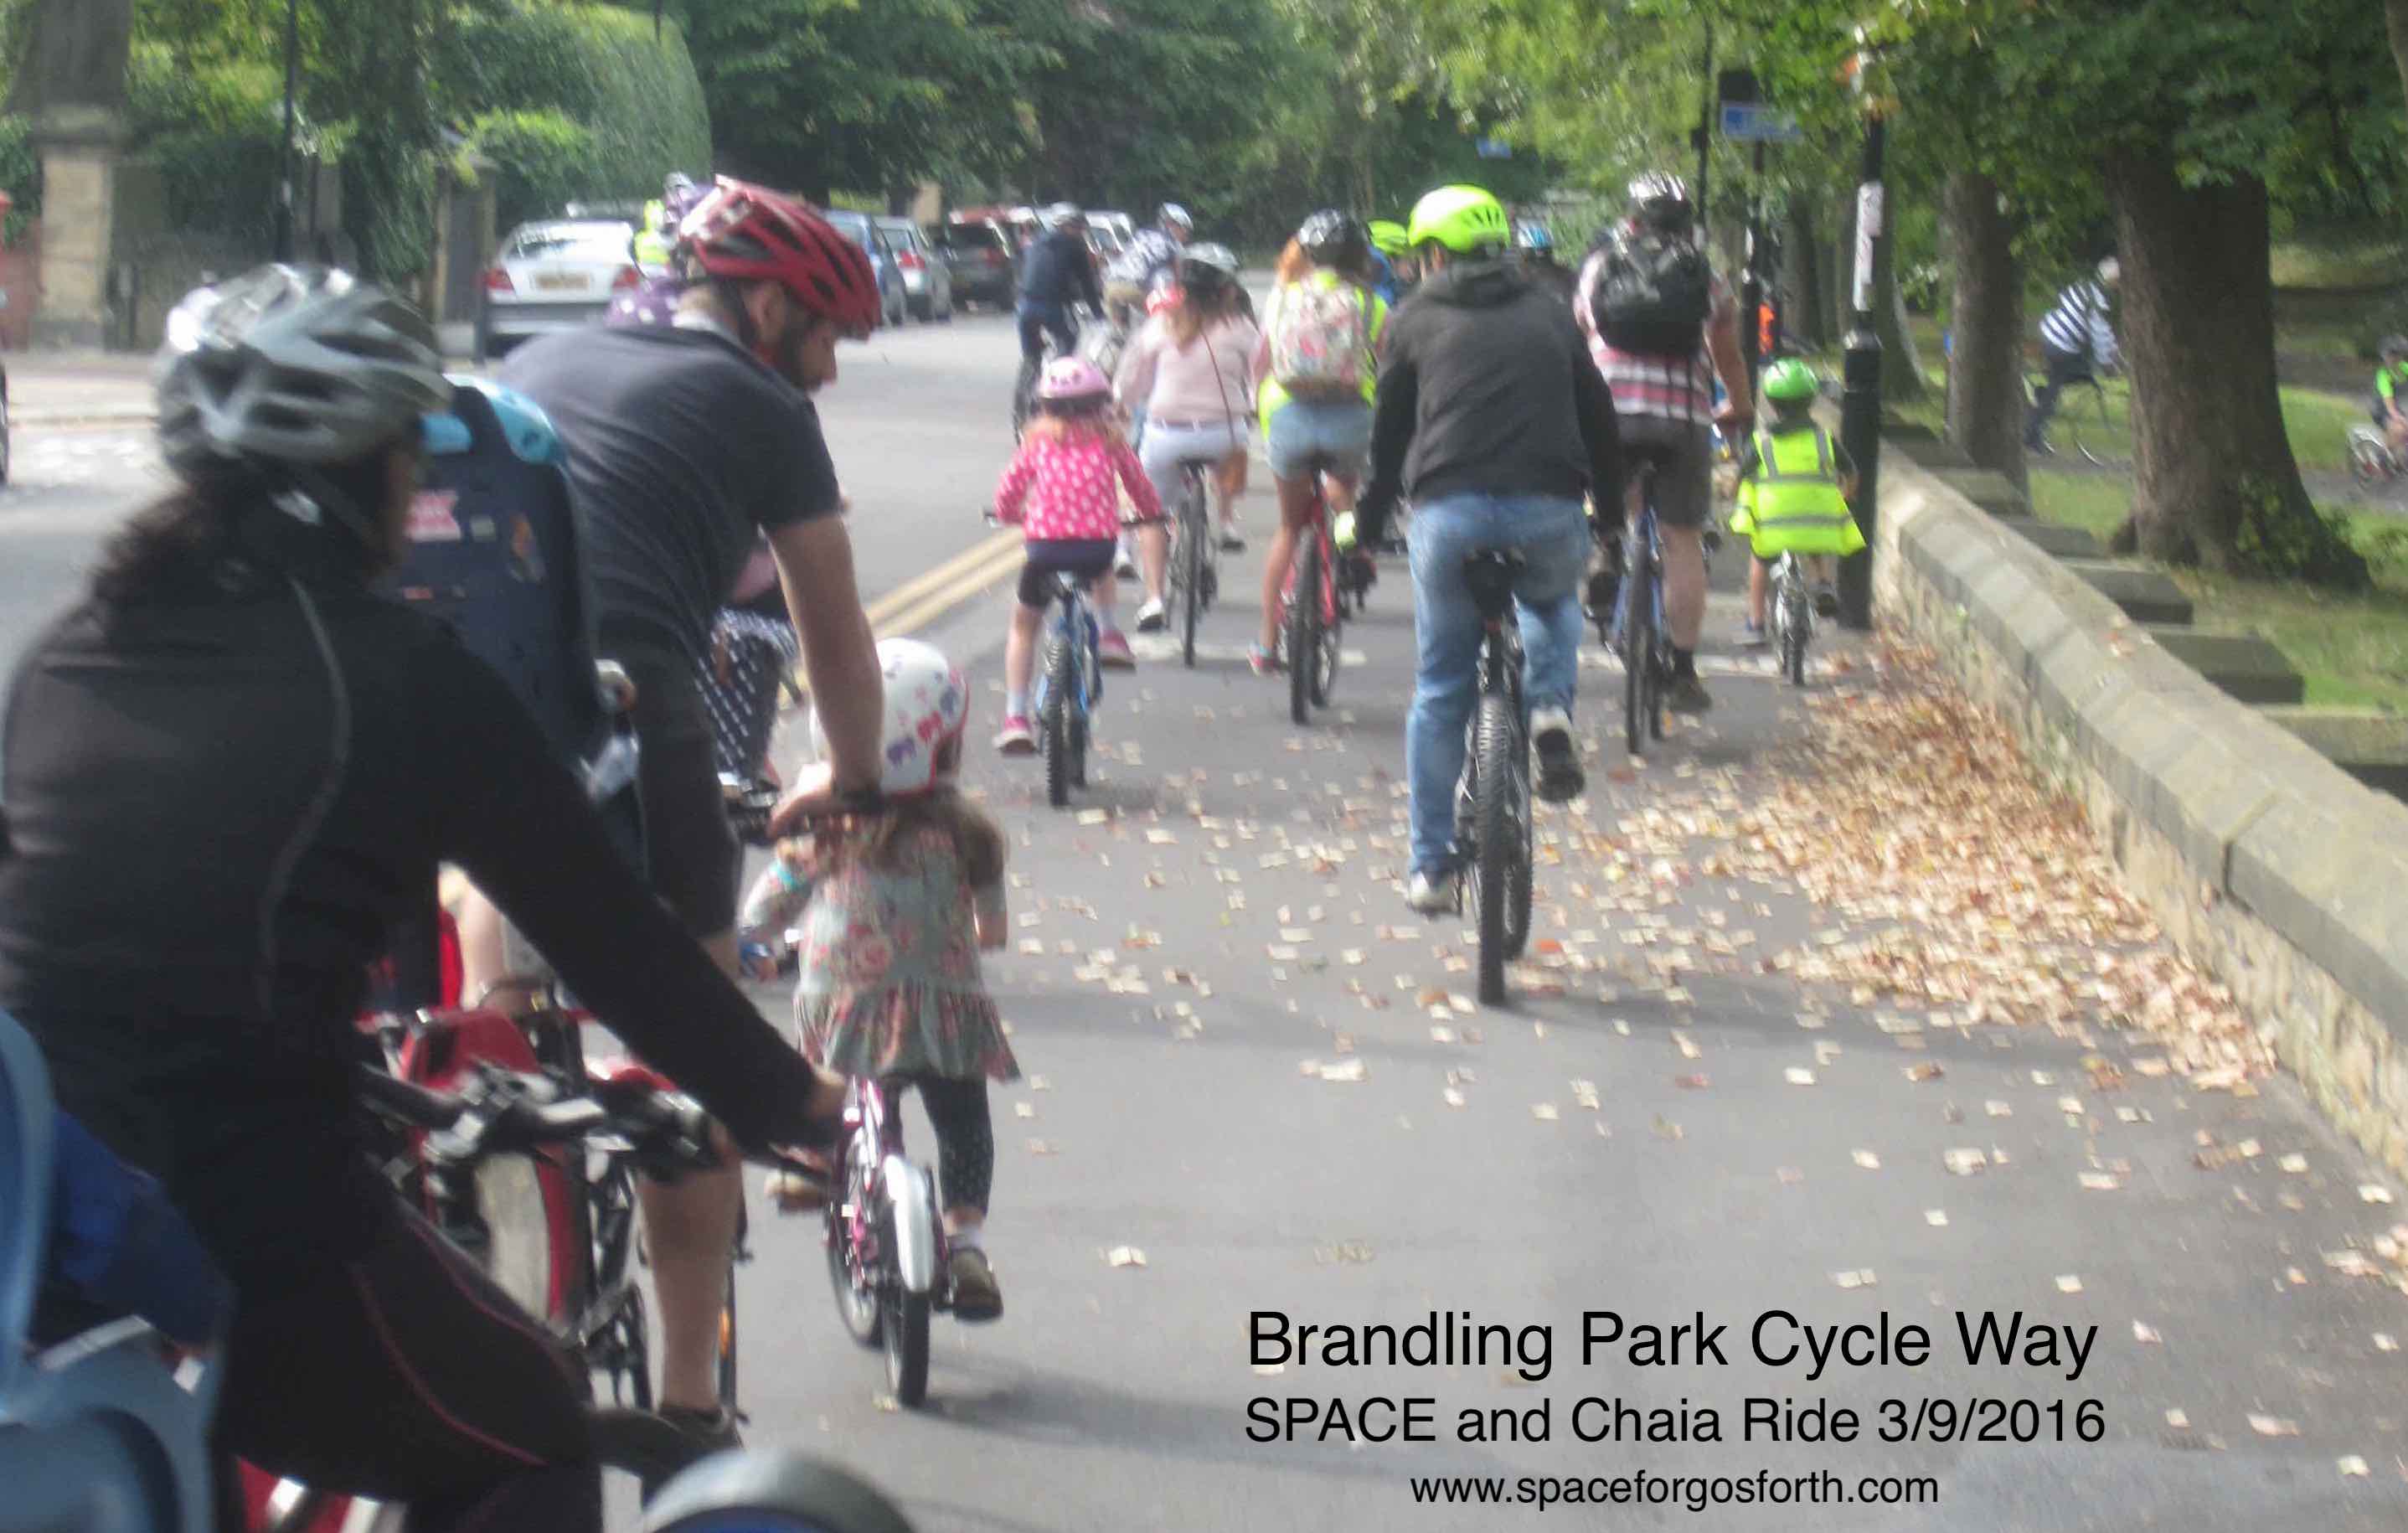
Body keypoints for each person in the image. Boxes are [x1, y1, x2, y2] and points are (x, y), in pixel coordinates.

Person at [0, 265, 843, 1531]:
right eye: (407, 450)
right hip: (243, 1215)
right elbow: (621, 949)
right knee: (532, 1425)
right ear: (358, 481)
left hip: (39, 1193)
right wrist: (797, 1103)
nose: (420, 483)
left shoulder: (70, 647)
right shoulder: (401, 681)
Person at [489, 175, 887, 1449]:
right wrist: (854, 776)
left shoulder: (545, 348)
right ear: (767, 307)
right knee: (694, 1048)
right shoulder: (761, 404)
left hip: (453, 702)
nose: (826, 368)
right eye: (824, 333)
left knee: (480, 952)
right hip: (624, 704)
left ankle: (486, 1099)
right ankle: (686, 1396)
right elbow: (830, 632)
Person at [1354, 185, 1622, 914]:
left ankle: (1430, 868)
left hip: (1449, 508)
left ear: (1434, 254)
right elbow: (1597, 415)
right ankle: (1546, 709)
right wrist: (1613, 519)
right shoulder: (1548, 309)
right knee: (1547, 598)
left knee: (1441, 690)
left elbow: (1386, 439)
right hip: (1548, 503)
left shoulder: (1411, 318)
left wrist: (1366, 524)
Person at [738, 639, 1016, 1319]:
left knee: (828, 1078)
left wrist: (762, 947)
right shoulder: (969, 834)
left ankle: (816, 1160)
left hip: (845, 1009)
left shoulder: (823, 831)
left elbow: (763, 914)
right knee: (962, 1124)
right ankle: (968, 1243)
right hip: (942, 1014)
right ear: (941, 748)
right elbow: (993, 931)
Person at [1573, 171, 1749, 715]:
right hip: (1681, 418)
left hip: (1612, 413)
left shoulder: (1601, 265)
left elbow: (1580, 335)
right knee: (1681, 541)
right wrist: (1739, 408)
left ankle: (1605, 545)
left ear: (1631, 220)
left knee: (1608, 490)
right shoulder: (1707, 276)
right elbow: (1727, 356)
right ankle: (1683, 669)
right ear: (1686, 224)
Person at [992, 357, 1166, 749]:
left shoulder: (1036, 442)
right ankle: (1107, 634)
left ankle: (1017, 716)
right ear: (1100, 404)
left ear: (1045, 406)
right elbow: (1139, 485)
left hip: (1044, 550)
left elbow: (1008, 490)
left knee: (1024, 626)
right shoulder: (1110, 441)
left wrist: (1008, 514)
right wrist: (1151, 512)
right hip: (1095, 548)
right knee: (1102, 568)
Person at [1250, 209, 1390, 674]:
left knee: (1289, 528)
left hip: (1289, 417)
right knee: (1343, 489)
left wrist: (1257, 403)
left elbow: (1262, 361)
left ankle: (1268, 644)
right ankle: (1352, 542)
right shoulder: (1374, 304)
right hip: (1350, 420)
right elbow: (1386, 368)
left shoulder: (1282, 298)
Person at [1114, 240, 1261, 623]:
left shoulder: (1161, 324)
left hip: (1167, 435)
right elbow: (1261, 373)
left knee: (1152, 513)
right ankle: (1224, 521)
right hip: (1225, 436)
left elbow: (1131, 378)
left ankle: (1154, 600)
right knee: (1234, 456)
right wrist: (1255, 403)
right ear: (1226, 290)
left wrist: (1124, 404)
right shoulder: (1241, 327)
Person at [1729, 359, 1863, 645]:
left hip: (1774, 524)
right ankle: (1824, 583)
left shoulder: (1761, 440)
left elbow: (1741, 477)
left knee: (1760, 559)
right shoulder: (1823, 439)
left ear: (1773, 403)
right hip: (1818, 521)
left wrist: (1733, 493)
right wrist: (1846, 496)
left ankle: (1756, 625)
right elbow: (1851, 472)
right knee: (1813, 540)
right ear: (1811, 401)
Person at [1015, 204, 1106, 424]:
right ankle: (1055, 381)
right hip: (1052, 307)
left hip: (1024, 307)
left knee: (1031, 354)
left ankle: (1025, 391)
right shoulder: (1075, 246)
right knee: (1069, 338)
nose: (1081, 233)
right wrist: (1098, 315)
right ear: (1071, 227)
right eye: (1079, 229)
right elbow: (1088, 285)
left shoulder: (1035, 243)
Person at [2025, 257, 2121, 451]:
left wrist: (2114, 351)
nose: (2120, 286)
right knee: (2065, 383)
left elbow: (2103, 330)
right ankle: (2032, 435)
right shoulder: (2098, 301)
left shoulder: (2084, 286)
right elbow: (2100, 334)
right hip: (2061, 344)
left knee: (2071, 374)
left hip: (2049, 333)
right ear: (2111, 281)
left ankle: (2042, 393)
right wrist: (2108, 364)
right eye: (2119, 281)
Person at [1103, 202, 1195, 332]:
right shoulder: (1174, 245)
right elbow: (1177, 282)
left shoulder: (1142, 234)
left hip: (1110, 287)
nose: (1186, 237)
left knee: (1119, 332)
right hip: (1135, 291)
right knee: (1164, 320)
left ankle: (1119, 334)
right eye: (1185, 231)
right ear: (1176, 226)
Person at [2372, 335, 2408, 459]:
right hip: (2382, 410)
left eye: (2398, 355)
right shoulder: (2383, 375)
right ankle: (2383, 455)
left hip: (2400, 408)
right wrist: (2397, 416)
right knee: (2399, 430)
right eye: (2391, 355)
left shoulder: (2404, 368)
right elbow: (2388, 400)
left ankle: (2402, 456)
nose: (2395, 359)